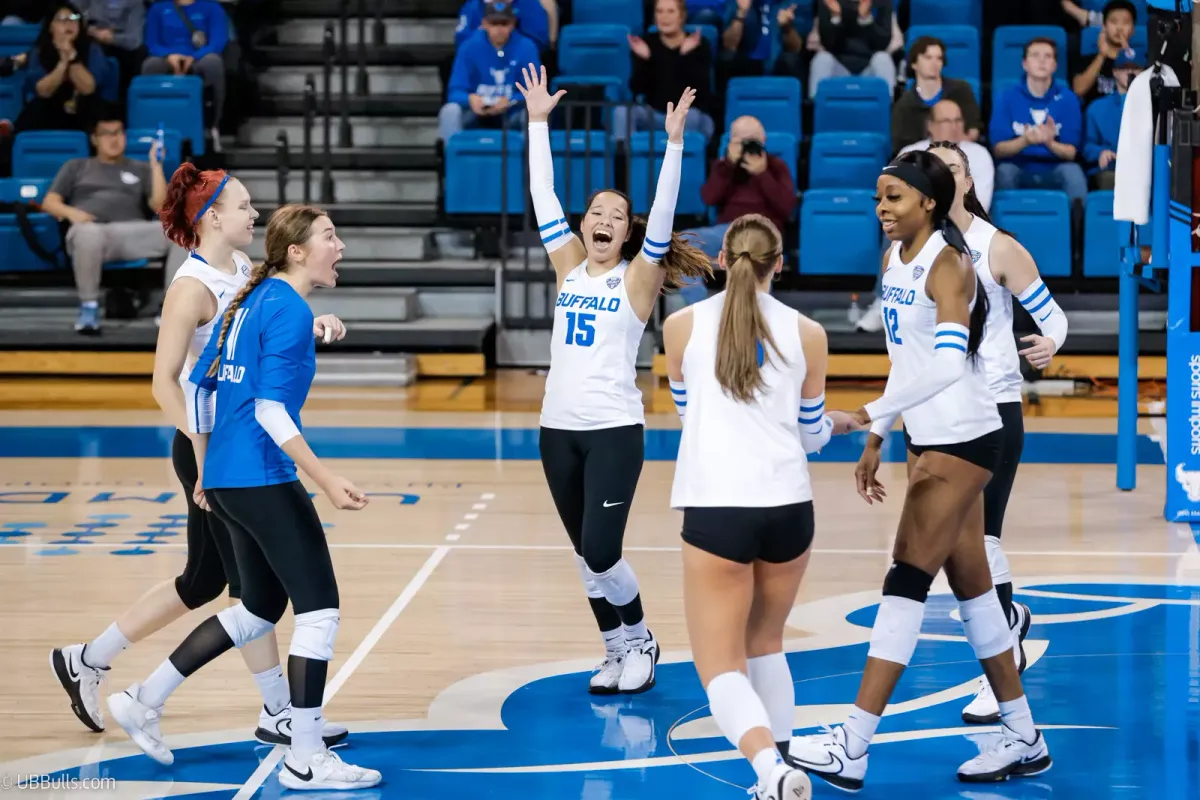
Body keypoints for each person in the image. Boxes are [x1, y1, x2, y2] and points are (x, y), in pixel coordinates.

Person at [51, 168, 350, 750]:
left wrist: (306, 323)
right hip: (209, 444)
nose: (254, 215)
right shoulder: (190, 287)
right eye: (243, 205)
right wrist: (204, 455)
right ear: (212, 214)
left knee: (204, 581)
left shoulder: (243, 269)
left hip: (231, 443)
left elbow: (257, 335)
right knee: (245, 590)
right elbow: (166, 382)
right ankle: (276, 711)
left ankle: (89, 658)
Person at [787, 151, 1052, 789]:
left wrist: (865, 411)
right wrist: (878, 436)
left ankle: (853, 743)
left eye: (895, 197)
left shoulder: (951, 265)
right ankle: (1024, 736)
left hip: (966, 437)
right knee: (976, 594)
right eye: (878, 197)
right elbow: (906, 361)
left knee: (906, 578)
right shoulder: (892, 261)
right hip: (927, 436)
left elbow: (943, 366)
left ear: (927, 203)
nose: (882, 207)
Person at [104, 204, 380, 790]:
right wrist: (325, 479)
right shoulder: (283, 307)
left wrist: (207, 468)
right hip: (260, 475)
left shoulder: (253, 302)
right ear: (298, 252)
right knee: (319, 607)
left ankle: (143, 698)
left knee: (257, 608)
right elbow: (271, 409)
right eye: (331, 236)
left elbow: (199, 385)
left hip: (228, 478)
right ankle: (305, 756)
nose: (341, 246)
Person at [515, 64, 712, 695]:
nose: (603, 219)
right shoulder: (569, 266)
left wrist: (674, 142)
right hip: (556, 430)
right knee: (583, 556)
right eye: (595, 212)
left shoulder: (636, 279)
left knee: (602, 550)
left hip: (613, 431)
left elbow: (665, 214)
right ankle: (613, 647)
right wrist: (537, 124)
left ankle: (641, 635)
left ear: (628, 232)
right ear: (583, 227)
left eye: (616, 215)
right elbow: (544, 195)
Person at [663, 213, 850, 800]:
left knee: (719, 667)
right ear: (781, 263)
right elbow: (812, 433)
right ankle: (784, 763)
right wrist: (840, 424)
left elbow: (689, 414)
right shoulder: (809, 333)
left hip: (717, 507)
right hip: (789, 508)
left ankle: (772, 771)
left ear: (722, 259)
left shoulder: (680, 326)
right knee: (767, 642)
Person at [927, 140, 1069, 725]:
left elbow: (1053, 315)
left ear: (967, 181)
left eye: (951, 169)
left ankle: (1004, 655)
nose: (941, 177)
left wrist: (1050, 342)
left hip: (993, 407)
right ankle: (1008, 626)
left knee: (978, 541)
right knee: (957, 547)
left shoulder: (997, 246)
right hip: (939, 413)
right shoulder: (915, 249)